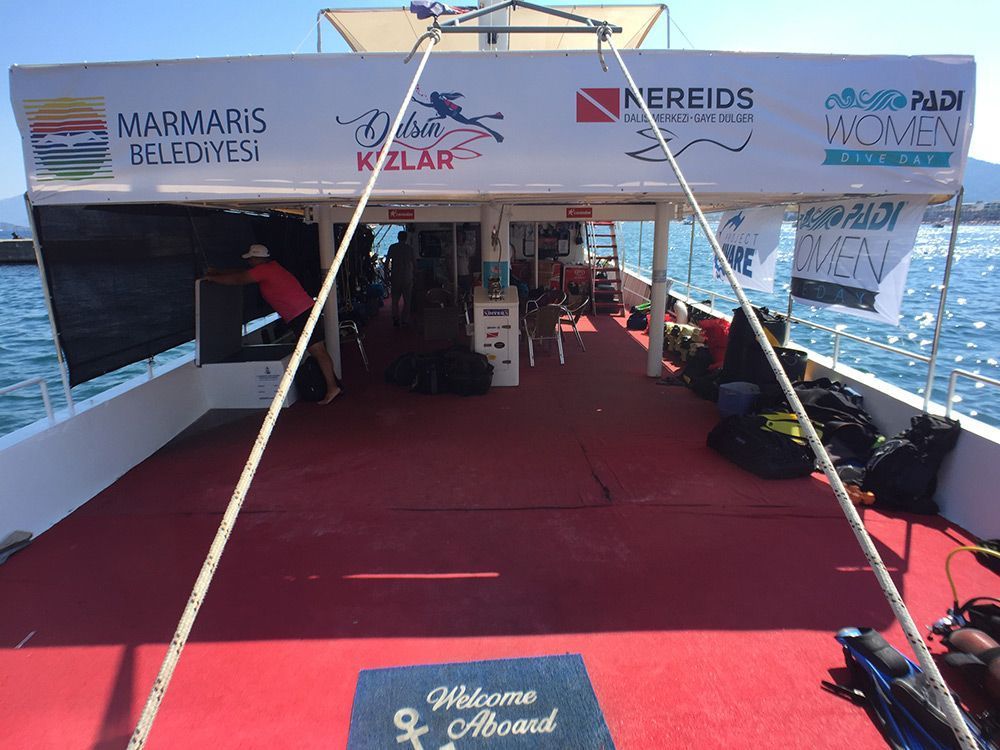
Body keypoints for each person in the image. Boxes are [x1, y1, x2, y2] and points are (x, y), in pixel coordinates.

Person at [204, 244, 341, 404]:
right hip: (303, 312)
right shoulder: (272, 267)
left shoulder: (264, 271)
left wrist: (213, 279)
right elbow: (240, 273)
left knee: (318, 351)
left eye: (251, 259)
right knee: (318, 351)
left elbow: (238, 279)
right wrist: (218, 272)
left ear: (257, 259)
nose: (249, 262)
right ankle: (334, 385)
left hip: (302, 314)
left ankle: (332, 388)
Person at [385, 231, 416, 327]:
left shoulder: (392, 247)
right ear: (406, 238)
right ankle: (405, 320)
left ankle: (395, 318)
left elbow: (387, 262)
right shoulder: (409, 249)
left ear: (398, 237)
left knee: (395, 300)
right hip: (407, 277)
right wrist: (415, 275)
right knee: (407, 301)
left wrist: (386, 275)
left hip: (395, 276)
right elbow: (414, 263)